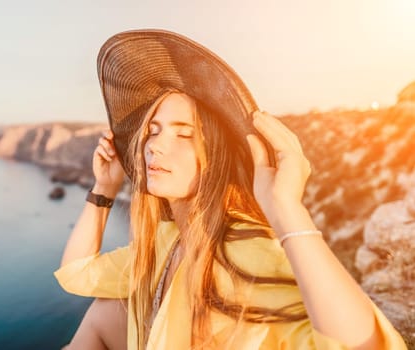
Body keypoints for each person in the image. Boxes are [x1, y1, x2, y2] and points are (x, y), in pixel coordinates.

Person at [55, 29, 407, 349]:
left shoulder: (243, 247)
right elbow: (77, 274)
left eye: (184, 133)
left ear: (216, 157)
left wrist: (286, 209)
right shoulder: (168, 240)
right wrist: (104, 189)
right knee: (105, 311)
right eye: (154, 130)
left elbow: (366, 345)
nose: (154, 146)